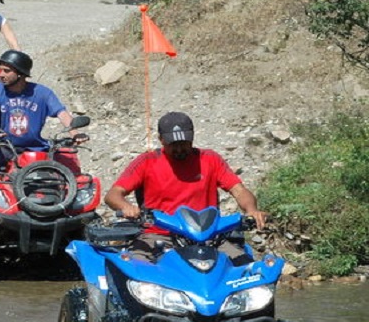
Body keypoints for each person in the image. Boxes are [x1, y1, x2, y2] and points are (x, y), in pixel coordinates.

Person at [103, 111, 268, 263]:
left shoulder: (210, 159)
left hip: (208, 236)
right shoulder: (146, 162)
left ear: (192, 138)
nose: (180, 149)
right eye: (173, 144)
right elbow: (113, 194)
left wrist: (251, 210)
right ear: (161, 140)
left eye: (184, 143)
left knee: (246, 268)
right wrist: (126, 206)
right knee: (136, 267)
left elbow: (238, 190)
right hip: (159, 234)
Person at [0, 50, 87, 167]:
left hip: (37, 148)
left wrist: (75, 134)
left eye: (6, 71)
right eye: (0, 70)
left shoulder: (43, 93)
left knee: (61, 176)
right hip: (3, 147)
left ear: (20, 73)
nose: (1, 74)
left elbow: (62, 113)